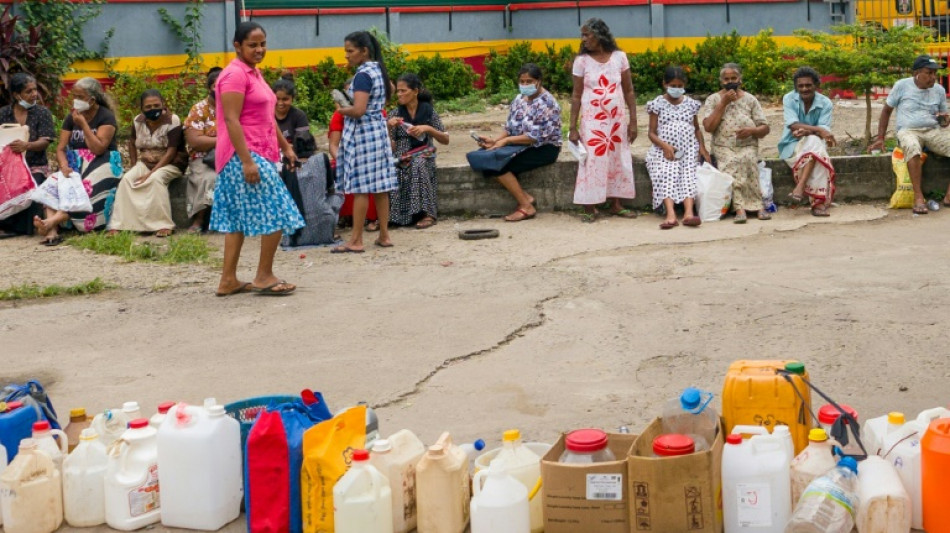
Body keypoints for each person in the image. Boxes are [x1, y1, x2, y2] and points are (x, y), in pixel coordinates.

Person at [211, 21, 304, 296]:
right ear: (237, 46)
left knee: (237, 219)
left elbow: (265, 117)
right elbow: (231, 119)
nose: (259, 49)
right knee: (277, 210)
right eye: (252, 45)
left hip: (256, 151)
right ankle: (264, 275)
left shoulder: (254, 73)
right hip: (242, 154)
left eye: (262, 44)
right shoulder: (234, 76)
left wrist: (285, 146)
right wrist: (247, 161)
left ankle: (228, 280)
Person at [34, 77, 121, 244]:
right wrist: (64, 166)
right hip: (74, 164)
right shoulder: (71, 117)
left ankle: (53, 221)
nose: (76, 100)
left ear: (92, 99)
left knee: (84, 188)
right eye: (74, 96)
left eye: (80, 97)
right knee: (52, 184)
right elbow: (60, 148)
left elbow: (98, 148)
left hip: (102, 162)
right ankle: (51, 232)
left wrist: (83, 124)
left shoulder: (106, 117)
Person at [333, 30, 397, 252]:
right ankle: (385, 235)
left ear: (364, 51)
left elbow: (359, 110)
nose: (347, 56)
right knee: (381, 186)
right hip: (378, 129)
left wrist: (342, 110)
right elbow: (391, 91)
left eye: (350, 51)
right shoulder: (379, 70)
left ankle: (356, 240)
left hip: (363, 134)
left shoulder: (362, 75)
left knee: (361, 188)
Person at [569, 18, 637, 222]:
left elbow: (629, 91)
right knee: (593, 160)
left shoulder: (620, 58)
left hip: (616, 120)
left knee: (618, 159)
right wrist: (572, 127)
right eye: (582, 35)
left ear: (600, 35)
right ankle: (590, 206)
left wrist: (633, 121)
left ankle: (617, 204)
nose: (584, 39)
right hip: (593, 121)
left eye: (587, 34)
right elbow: (576, 95)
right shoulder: (581, 61)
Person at [475, 63, 562, 222]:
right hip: (520, 143)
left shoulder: (548, 103)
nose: (525, 85)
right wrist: (495, 140)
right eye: (522, 81)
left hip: (544, 148)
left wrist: (506, 141)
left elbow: (533, 137)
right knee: (484, 159)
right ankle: (525, 197)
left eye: (529, 81)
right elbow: (510, 127)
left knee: (498, 165)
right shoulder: (519, 99)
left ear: (539, 81)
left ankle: (526, 206)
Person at [869, 54, 950, 214]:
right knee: (912, 148)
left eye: (935, 73)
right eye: (929, 73)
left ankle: (949, 195)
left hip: (933, 131)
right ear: (917, 73)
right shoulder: (902, 86)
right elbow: (886, 111)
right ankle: (918, 197)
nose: (933, 77)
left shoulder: (939, 90)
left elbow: (944, 116)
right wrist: (880, 138)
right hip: (908, 131)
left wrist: (944, 120)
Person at [107, 89, 186, 236]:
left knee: (155, 180)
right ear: (142, 109)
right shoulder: (138, 121)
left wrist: (151, 173)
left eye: (156, 105)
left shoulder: (173, 120)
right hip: (145, 162)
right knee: (127, 180)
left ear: (163, 104)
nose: (153, 109)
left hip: (171, 164)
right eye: (148, 107)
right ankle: (119, 224)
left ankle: (164, 224)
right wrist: (134, 165)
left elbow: (171, 151)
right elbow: (131, 142)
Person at [702, 63, 770, 223]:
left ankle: (758, 207)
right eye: (726, 79)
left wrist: (752, 131)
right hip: (723, 147)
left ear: (740, 79)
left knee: (748, 161)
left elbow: (765, 127)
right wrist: (723, 103)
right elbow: (708, 127)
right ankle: (739, 209)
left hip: (747, 145)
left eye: (734, 78)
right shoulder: (713, 99)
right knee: (731, 164)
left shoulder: (750, 99)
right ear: (721, 81)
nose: (730, 81)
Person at [646, 66, 709, 229]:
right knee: (666, 174)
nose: (676, 89)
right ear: (665, 84)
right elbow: (651, 133)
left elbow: (696, 128)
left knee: (689, 175)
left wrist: (702, 147)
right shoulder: (657, 104)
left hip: (688, 149)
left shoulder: (691, 104)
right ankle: (671, 214)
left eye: (680, 86)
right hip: (663, 151)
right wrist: (666, 146)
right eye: (673, 86)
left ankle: (689, 213)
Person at [387, 73, 449, 229]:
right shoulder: (395, 114)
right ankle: (400, 217)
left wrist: (427, 128)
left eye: (403, 91)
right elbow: (390, 147)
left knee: (418, 164)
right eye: (398, 91)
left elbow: (445, 139)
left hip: (424, 153)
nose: (399, 94)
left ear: (415, 91)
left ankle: (428, 214)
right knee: (394, 168)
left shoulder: (428, 112)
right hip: (402, 155)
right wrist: (388, 128)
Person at [0, 73, 56, 238]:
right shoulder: (3, 114)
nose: (34, 94)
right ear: (17, 95)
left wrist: (27, 145)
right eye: (28, 91)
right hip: (7, 167)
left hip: (35, 165)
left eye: (35, 90)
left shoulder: (42, 113)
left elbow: (45, 141)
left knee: (30, 185)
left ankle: (23, 228)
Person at [778, 66, 837, 217]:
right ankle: (819, 203)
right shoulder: (789, 98)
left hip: (814, 146)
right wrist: (817, 130)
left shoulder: (825, 103)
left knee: (813, 143)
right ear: (796, 87)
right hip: (791, 146)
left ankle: (800, 187)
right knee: (816, 147)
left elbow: (823, 130)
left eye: (808, 85)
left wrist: (810, 131)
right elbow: (793, 124)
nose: (804, 89)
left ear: (816, 86)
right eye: (801, 86)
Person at [329, 78, 378, 230]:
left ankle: (372, 218)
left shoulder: (375, 112)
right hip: (346, 157)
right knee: (338, 170)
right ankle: (345, 215)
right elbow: (333, 146)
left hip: (370, 157)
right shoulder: (339, 116)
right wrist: (344, 160)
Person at [183, 67, 222, 233]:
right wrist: (224, 140)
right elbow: (195, 141)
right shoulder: (199, 109)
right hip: (203, 158)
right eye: (216, 85)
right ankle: (199, 220)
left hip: (230, 156)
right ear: (209, 87)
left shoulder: (234, 106)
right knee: (209, 178)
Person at [273, 75, 310, 147]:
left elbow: (302, 145)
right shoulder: (265, 115)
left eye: (285, 99)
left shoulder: (299, 116)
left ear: (292, 98)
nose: (280, 103)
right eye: (277, 99)